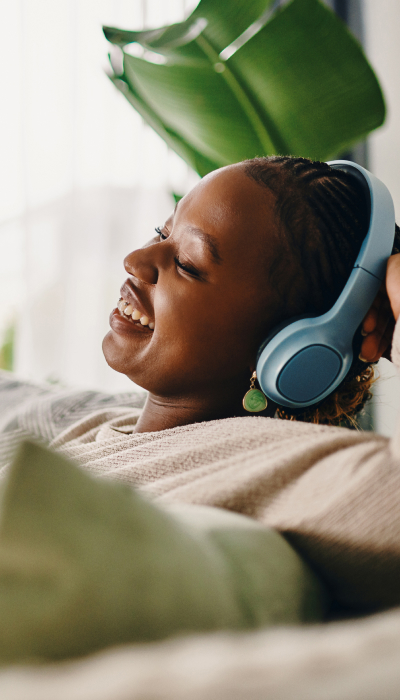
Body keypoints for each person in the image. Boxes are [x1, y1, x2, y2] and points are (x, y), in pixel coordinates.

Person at [102, 156, 400, 432]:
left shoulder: (286, 476)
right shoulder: (89, 417)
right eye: (163, 232)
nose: (134, 260)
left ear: (285, 347)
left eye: (186, 264)